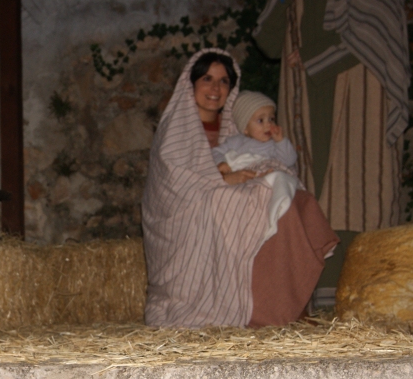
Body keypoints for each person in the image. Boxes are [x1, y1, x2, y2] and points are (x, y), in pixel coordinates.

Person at [142, 49, 339, 328]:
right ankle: (258, 310)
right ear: (192, 83)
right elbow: (173, 186)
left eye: (224, 82)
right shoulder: (175, 130)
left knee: (288, 200)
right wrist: (222, 181)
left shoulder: (235, 132)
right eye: (208, 78)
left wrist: (260, 175)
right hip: (188, 215)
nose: (215, 88)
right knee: (249, 202)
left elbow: (259, 160)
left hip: (233, 199)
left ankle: (283, 308)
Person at [254, 0, 410, 288]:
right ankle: (321, 311)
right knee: (312, 207)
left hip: (360, 108)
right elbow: (267, 41)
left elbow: (378, 31)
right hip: (304, 114)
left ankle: (362, 304)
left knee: (357, 200)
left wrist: (314, 55)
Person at [212, 90, 301, 243]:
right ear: (245, 128)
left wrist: (280, 141)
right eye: (261, 120)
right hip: (244, 177)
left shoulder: (274, 145)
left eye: (271, 119)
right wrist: (221, 163)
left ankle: (278, 211)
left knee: (279, 177)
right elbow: (214, 152)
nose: (268, 124)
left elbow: (289, 160)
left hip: (266, 172)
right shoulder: (236, 141)